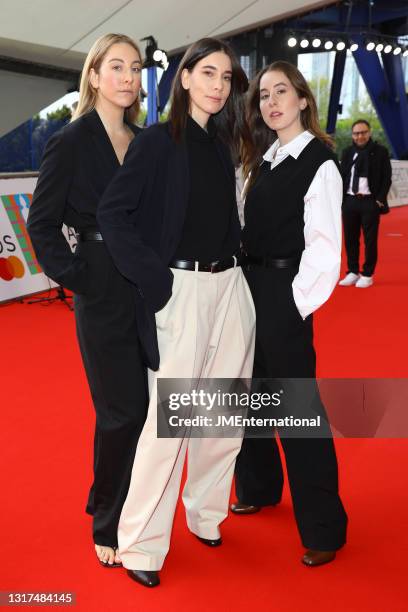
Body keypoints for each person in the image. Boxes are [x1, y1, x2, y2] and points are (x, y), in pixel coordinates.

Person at [96, 37, 255, 588]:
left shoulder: (224, 144)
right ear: (184, 78)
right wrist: (157, 280)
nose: (218, 85)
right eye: (207, 73)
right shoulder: (159, 142)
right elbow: (113, 215)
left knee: (224, 414)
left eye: (227, 77)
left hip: (231, 286)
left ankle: (206, 513)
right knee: (172, 424)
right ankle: (140, 542)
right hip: (181, 289)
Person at [27, 34, 148, 567]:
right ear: (94, 76)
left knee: (143, 409)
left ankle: (115, 493)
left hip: (149, 286)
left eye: (136, 68)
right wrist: (82, 278)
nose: (128, 76)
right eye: (116, 66)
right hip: (101, 286)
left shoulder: (147, 142)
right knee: (122, 410)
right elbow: (42, 224)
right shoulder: (70, 141)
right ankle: (109, 519)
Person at [230, 61, 348, 567]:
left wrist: (293, 306)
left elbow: (324, 250)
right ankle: (258, 486)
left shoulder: (318, 161)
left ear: (303, 100)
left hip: (283, 292)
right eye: (262, 96)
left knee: (298, 410)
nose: (271, 102)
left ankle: (324, 528)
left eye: (282, 92)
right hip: (246, 287)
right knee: (249, 393)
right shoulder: (262, 160)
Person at [338, 119, 392, 288]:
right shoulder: (347, 152)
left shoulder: (380, 152)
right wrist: (342, 200)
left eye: (363, 132)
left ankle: (367, 274)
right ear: (352, 135)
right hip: (350, 201)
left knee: (370, 240)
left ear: (369, 133)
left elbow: (386, 178)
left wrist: (378, 201)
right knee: (350, 239)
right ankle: (352, 271)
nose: (359, 136)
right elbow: (341, 176)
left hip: (370, 202)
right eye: (356, 133)